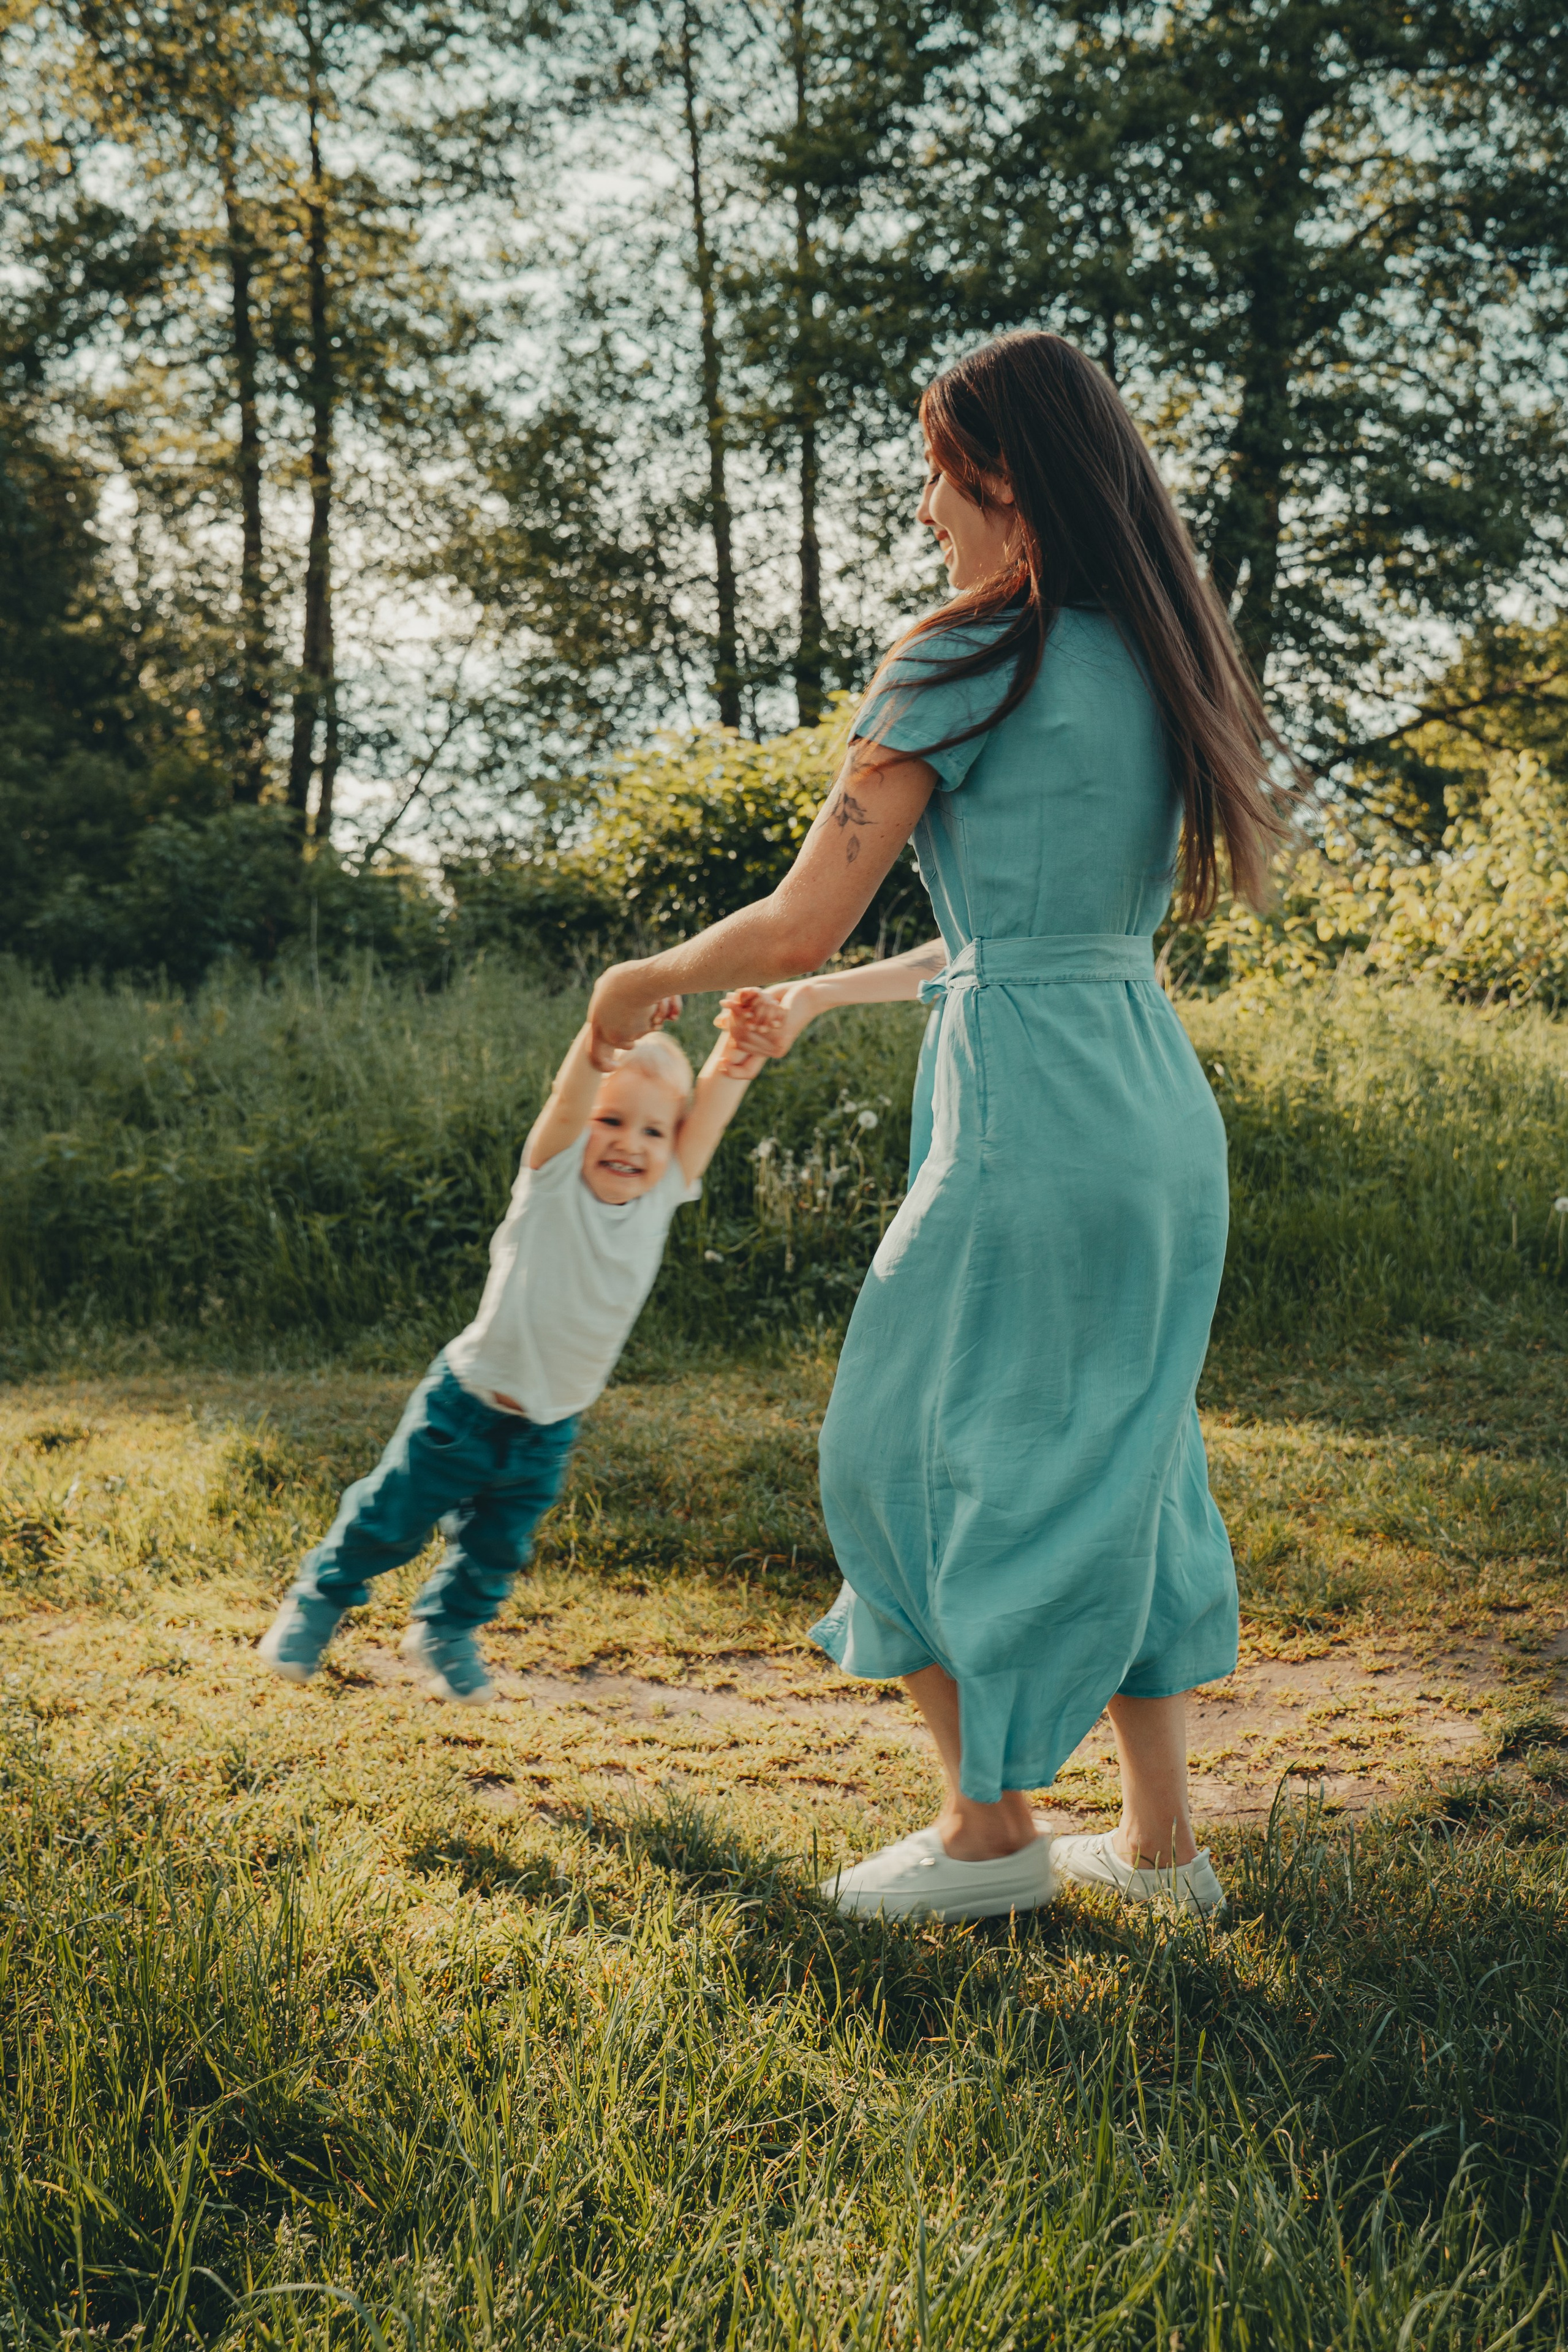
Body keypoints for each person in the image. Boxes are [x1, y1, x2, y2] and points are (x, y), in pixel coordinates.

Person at [588, 330, 1288, 1923]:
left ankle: (992, 1835)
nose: (925, 514)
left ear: (1013, 489)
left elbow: (798, 919)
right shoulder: (1163, 659)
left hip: (1030, 1132)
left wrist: (649, 977)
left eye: (937, 479)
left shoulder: (965, 659)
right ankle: (1165, 1854)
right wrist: (835, 1011)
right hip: (1154, 1119)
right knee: (1133, 1456)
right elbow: (1027, 936)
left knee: (894, 1450)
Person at [257, 1017, 774, 1703]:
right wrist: (610, 1023)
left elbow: (712, 1105)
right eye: (611, 1119)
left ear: (674, 1140)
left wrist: (738, 1050)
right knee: (390, 1520)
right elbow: (571, 1092)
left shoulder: (663, 1194)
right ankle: (317, 1601)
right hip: (466, 1405)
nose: (629, 1142)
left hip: (550, 1425)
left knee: (498, 1549)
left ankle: (443, 1631)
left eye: (654, 1130)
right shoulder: (553, 1176)